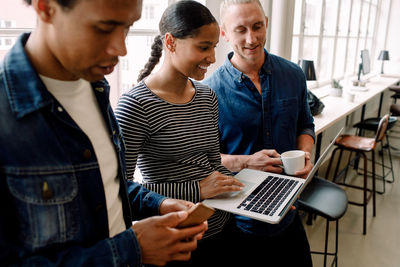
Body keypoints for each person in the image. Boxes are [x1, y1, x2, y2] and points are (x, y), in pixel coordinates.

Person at [0, 0, 208, 266]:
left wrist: (159, 203)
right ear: (46, 7)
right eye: (103, 28)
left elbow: (106, 188)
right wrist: (130, 249)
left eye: (127, 27)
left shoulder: (95, 89)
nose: (121, 48)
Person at [114, 1, 244, 266]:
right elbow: (121, 192)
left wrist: (253, 195)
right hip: (177, 242)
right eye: (203, 47)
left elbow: (214, 167)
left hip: (224, 229)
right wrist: (197, 189)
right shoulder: (135, 106)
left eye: (214, 48)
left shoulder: (207, 97)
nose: (212, 58)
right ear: (171, 43)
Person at [204, 0, 315, 266]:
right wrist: (246, 161)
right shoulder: (207, 92)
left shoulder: (294, 74)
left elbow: (305, 125)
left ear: (266, 23)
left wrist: (306, 154)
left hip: (288, 211)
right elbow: (207, 160)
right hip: (239, 223)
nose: (251, 38)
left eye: (256, 26)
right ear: (224, 33)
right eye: (240, 30)